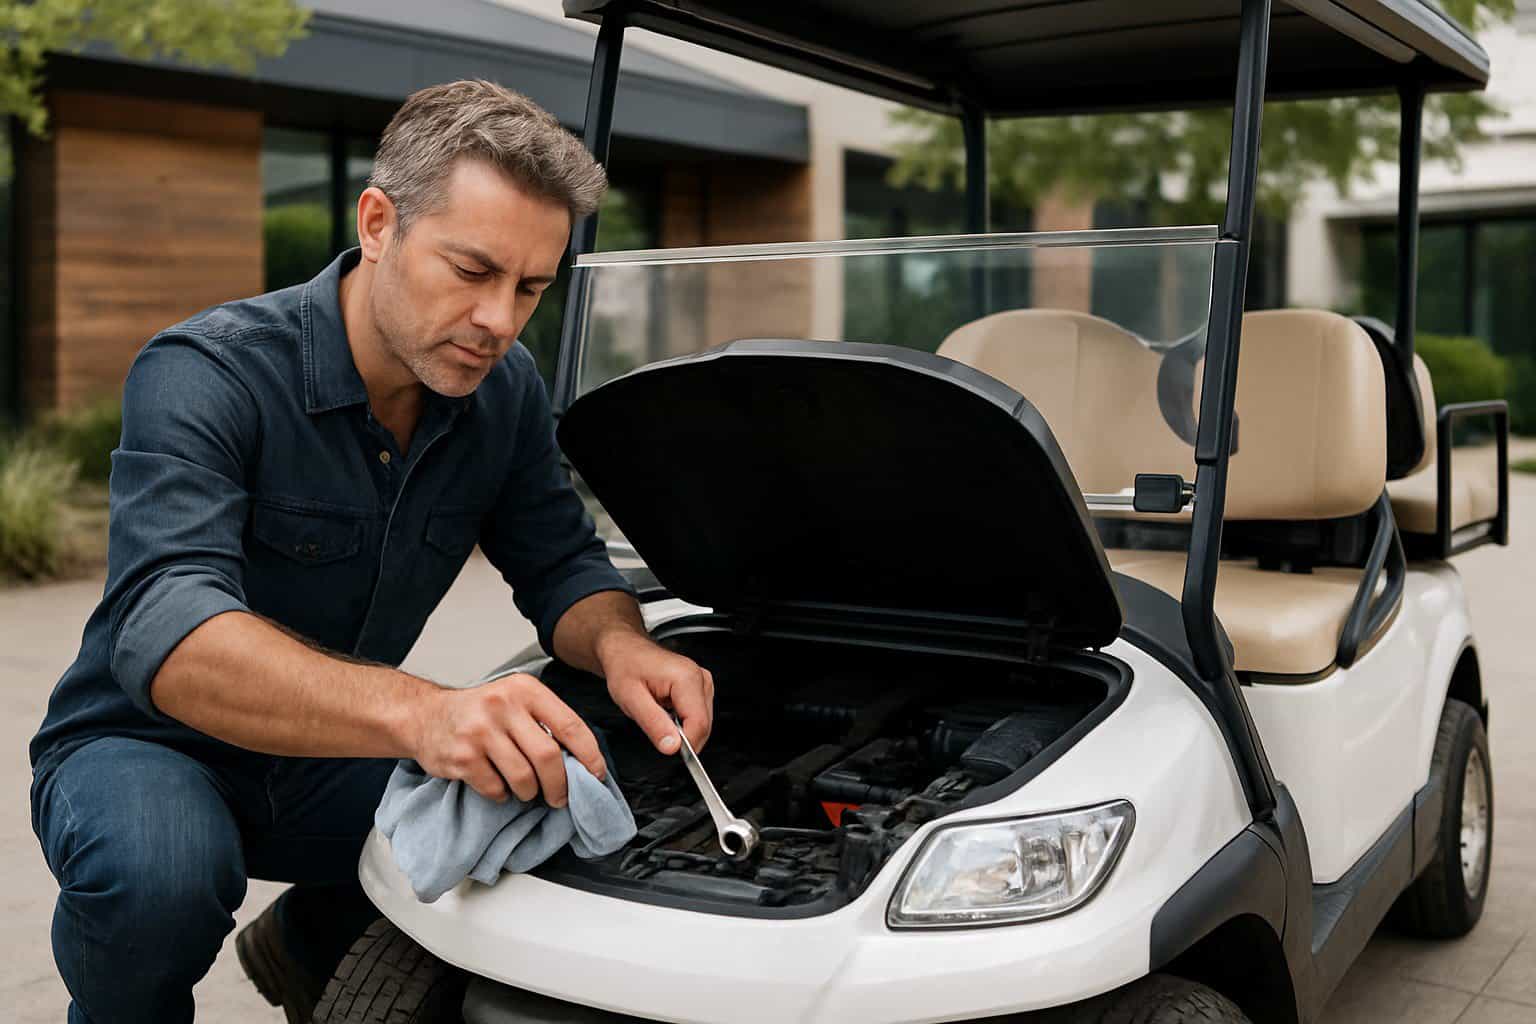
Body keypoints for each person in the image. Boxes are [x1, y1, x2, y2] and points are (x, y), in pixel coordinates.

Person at [27, 79, 715, 1024]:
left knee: (540, 810)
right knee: (161, 878)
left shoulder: (503, 392)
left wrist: (622, 644)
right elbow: (170, 634)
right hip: (146, 744)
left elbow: (563, 567)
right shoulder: (205, 371)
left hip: (331, 753)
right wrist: (425, 715)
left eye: (530, 288)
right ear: (381, 222)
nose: (501, 321)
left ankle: (311, 942)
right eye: (472, 271)